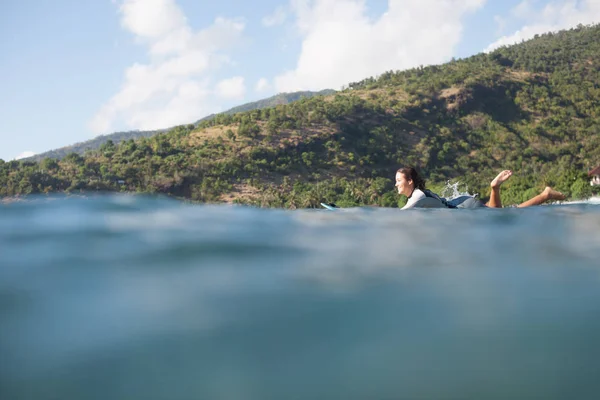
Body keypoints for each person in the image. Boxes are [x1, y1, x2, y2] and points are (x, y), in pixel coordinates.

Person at [395, 167, 566, 210]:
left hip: (465, 208)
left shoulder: (417, 196)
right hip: (462, 204)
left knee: (504, 216)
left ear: (410, 181)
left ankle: (494, 188)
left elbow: (401, 214)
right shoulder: (418, 195)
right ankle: (546, 195)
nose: (395, 184)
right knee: (504, 214)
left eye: (398, 180)